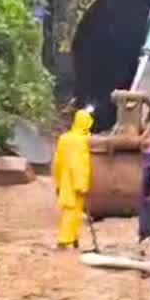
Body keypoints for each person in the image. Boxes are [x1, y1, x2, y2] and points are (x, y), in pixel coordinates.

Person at [52, 107, 93, 250]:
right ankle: (63, 240)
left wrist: (57, 180)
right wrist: (82, 185)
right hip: (77, 180)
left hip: (64, 179)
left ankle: (74, 238)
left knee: (72, 210)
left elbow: (57, 161)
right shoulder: (83, 141)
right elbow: (80, 164)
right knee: (73, 210)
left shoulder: (64, 138)